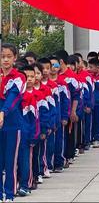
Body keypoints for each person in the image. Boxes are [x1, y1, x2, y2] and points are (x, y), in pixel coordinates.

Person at [0, 43, 26, 202]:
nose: (5, 60)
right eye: (2, 57)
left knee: (10, 161)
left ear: (15, 58)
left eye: (9, 57)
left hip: (12, 124)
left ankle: (9, 194)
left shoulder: (19, 77)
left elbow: (13, 98)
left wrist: (3, 112)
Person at [17, 64, 38, 196]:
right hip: (12, 133)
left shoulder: (30, 98)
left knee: (24, 160)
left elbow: (34, 119)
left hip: (25, 134)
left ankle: (25, 184)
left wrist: (33, 136)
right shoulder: (11, 96)